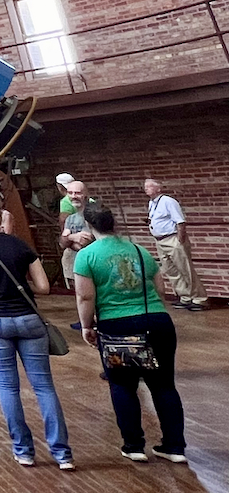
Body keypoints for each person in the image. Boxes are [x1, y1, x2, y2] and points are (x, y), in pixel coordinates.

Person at [0, 191, 74, 470]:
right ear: (0, 215)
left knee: (8, 387)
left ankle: (24, 451)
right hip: (28, 319)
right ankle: (62, 454)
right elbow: (43, 288)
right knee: (44, 387)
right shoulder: (20, 246)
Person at [75, 206, 187, 464]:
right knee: (163, 385)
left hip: (117, 325)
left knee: (123, 385)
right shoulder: (140, 250)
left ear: (89, 226)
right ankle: (175, 446)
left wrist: (86, 326)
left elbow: (85, 296)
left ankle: (134, 445)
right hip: (157, 321)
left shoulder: (86, 256)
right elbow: (160, 288)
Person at [145, 178, 206, 311]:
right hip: (160, 240)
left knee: (185, 269)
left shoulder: (168, 201)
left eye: (149, 186)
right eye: (145, 186)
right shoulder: (151, 203)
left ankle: (200, 299)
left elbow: (180, 221)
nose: (146, 189)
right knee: (170, 270)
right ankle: (185, 296)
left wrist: (180, 239)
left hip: (172, 238)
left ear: (158, 189)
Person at [60, 181, 95, 328]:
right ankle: (86, 320)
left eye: (78, 193)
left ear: (86, 194)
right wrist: (73, 238)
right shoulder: (70, 219)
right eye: (70, 193)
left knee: (93, 292)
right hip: (75, 262)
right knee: (80, 292)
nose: (74, 196)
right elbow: (62, 242)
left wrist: (71, 239)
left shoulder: (94, 215)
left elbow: (90, 241)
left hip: (93, 261)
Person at [55, 173, 78, 290]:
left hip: (74, 244)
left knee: (73, 275)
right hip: (90, 241)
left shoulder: (66, 201)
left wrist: (64, 240)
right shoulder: (89, 199)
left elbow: (64, 219)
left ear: (60, 186)